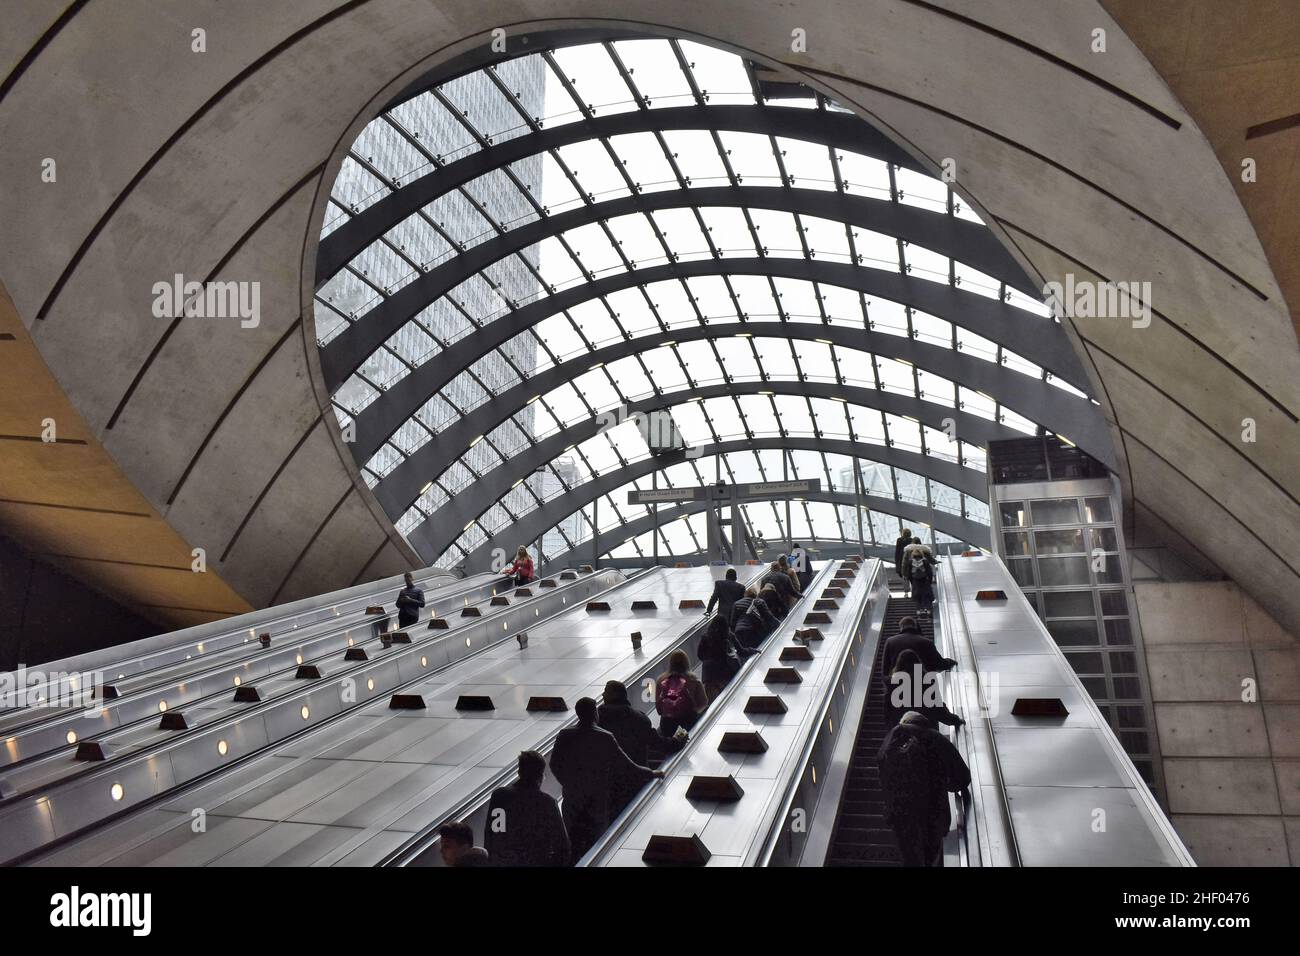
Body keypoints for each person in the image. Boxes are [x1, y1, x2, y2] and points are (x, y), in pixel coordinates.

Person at [549, 697, 663, 863]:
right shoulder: (605, 737)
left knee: (572, 840)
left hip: (572, 799)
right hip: (597, 799)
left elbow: (554, 764)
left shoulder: (565, 735)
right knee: (598, 843)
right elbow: (627, 765)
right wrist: (651, 773)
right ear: (595, 713)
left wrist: (567, 783)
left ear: (578, 714)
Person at [877, 711, 971, 866]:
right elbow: (962, 776)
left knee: (910, 856)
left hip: (900, 813)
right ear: (923, 721)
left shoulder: (889, 741)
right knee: (929, 856)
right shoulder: (934, 737)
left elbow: (883, 772)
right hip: (932, 812)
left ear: (904, 722)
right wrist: (950, 785)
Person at [598, 680, 682, 813]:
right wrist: (676, 742)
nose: (602, 694)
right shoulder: (638, 719)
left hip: (608, 784)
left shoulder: (597, 722)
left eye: (606, 691)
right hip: (635, 781)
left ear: (614, 695)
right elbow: (657, 743)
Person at [483, 751, 569, 867]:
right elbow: (562, 845)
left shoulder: (500, 796)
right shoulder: (547, 803)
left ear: (519, 772)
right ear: (541, 776)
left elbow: (493, 833)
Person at [886, 649, 964, 729]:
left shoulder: (891, 682)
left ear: (899, 664)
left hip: (899, 728)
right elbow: (937, 707)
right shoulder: (926, 680)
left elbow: (888, 710)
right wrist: (954, 720)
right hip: (923, 727)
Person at [698, 614, 754, 700]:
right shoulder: (729, 635)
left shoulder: (705, 637)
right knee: (726, 699)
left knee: (712, 702)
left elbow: (700, 655)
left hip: (709, 675)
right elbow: (741, 651)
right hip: (725, 673)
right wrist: (752, 650)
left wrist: (709, 660)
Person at [654, 649, 708, 737]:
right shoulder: (694, 680)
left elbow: (659, 710)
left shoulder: (661, 680)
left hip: (667, 724)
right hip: (688, 723)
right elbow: (704, 703)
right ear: (687, 662)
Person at [883, 616, 956, 677]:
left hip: (897, 684)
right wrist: (950, 662)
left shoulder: (890, 641)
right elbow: (938, 663)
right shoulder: (926, 642)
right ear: (915, 626)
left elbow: (885, 667)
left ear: (901, 627)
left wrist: (888, 685)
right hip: (921, 684)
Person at [902, 540, 938, 617]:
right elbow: (929, 572)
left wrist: (911, 581)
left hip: (915, 581)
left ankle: (919, 610)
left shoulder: (910, 562)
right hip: (925, 581)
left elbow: (909, 573)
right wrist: (930, 580)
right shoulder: (925, 561)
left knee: (917, 596)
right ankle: (928, 610)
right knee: (926, 595)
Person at [894, 528, 915, 597]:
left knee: (905, 577)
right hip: (911, 561)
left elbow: (897, 552)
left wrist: (897, 563)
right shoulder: (912, 540)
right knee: (912, 577)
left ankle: (906, 593)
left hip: (902, 561)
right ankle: (913, 592)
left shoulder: (899, 540)